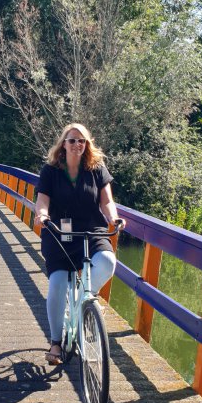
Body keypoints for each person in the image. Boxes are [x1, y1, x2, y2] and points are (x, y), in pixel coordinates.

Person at [34, 123, 125, 365]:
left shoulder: (96, 169)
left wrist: (113, 218)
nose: (77, 145)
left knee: (107, 261)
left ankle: (84, 300)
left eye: (81, 141)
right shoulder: (50, 171)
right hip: (60, 234)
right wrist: (42, 216)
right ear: (63, 144)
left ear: (87, 145)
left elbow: (107, 201)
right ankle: (55, 342)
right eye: (72, 140)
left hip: (90, 230)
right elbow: (42, 201)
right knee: (56, 285)